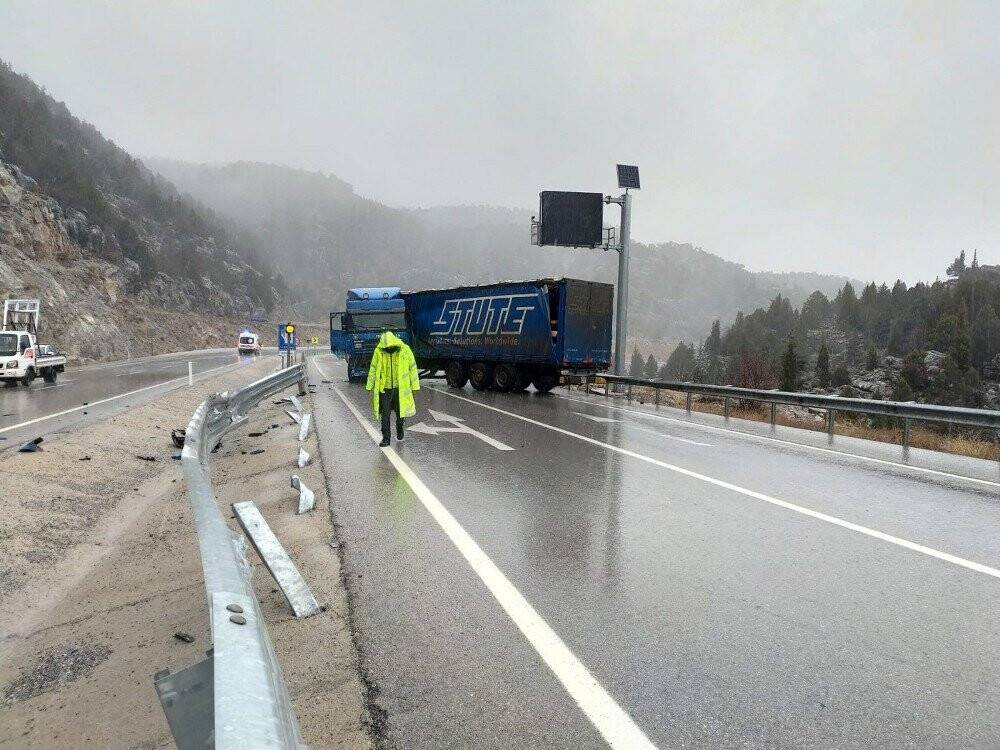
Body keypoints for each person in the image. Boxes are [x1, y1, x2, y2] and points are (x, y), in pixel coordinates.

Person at [366, 330, 420, 447]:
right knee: (385, 415)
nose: (388, 349)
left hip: (400, 389)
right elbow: (373, 369)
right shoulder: (379, 351)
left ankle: (400, 428)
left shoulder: (404, 350)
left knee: (400, 414)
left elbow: (412, 367)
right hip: (384, 389)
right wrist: (369, 385)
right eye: (386, 347)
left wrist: (415, 385)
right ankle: (386, 438)